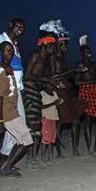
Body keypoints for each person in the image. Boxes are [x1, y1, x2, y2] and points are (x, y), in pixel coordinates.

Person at [0, 18, 27, 171]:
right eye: (17, 25)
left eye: (22, 27)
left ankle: (3, 162)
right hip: (6, 90)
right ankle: (4, 163)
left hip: (16, 90)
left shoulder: (15, 45)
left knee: (15, 126)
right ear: (10, 25)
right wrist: (2, 64)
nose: (20, 28)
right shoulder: (0, 39)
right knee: (17, 125)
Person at [24, 24, 63, 167]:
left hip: (35, 89)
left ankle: (33, 158)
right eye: (52, 45)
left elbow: (51, 76)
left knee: (36, 126)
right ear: (45, 44)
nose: (54, 48)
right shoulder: (36, 55)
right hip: (28, 89)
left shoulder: (46, 59)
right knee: (33, 125)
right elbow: (26, 76)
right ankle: (30, 159)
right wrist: (46, 80)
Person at [49, 20, 88, 157]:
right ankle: (59, 151)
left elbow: (65, 75)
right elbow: (55, 76)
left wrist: (75, 71)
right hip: (59, 91)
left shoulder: (63, 57)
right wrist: (74, 70)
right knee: (59, 122)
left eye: (67, 44)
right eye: (65, 44)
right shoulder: (54, 57)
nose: (67, 46)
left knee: (75, 119)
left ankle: (75, 148)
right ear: (59, 44)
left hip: (67, 91)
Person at [75, 35, 96, 157]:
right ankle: (90, 148)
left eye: (89, 51)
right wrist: (92, 81)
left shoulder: (95, 65)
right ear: (81, 53)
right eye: (86, 51)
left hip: (95, 91)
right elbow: (77, 82)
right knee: (87, 121)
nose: (89, 53)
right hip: (85, 92)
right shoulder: (80, 65)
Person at [40, 84, 63, 164]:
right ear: (44, 85)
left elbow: (57, 103)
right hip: (45, 118)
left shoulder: (54, 93)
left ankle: (50, 157)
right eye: (49, 84)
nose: (51, 86)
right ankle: (43, 157)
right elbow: (40, 106)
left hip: (53, 118)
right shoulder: (42, 93)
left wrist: (58, 102)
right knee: (45, 139)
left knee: (52, 139)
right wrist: (53, 103)